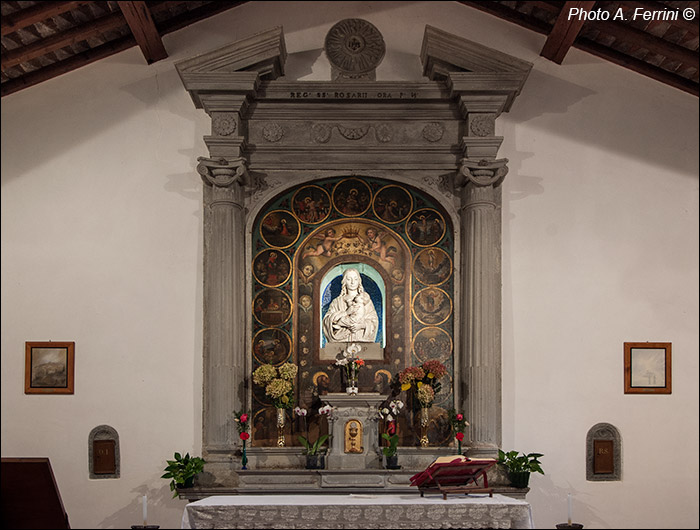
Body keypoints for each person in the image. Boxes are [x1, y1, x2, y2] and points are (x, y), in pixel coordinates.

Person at [322, 268, 378, 343]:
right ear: (344, 281)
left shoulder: (365, 300)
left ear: (359, 281)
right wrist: (346, 313)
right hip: (341, 340)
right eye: (349, 279)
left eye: (355, 279)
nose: (352, 282)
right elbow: (327, 320)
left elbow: (373, 321)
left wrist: (361, 326)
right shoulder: (337, 301)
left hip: (361, 340)